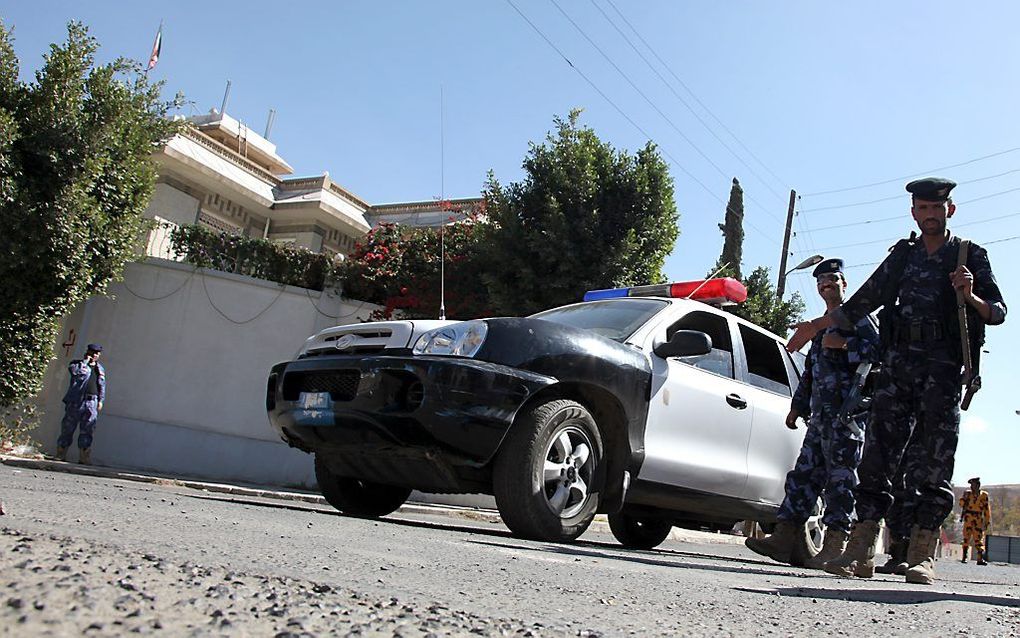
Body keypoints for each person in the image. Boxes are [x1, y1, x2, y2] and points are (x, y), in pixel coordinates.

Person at [786, 177, 1006, 585]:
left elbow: (998, 311)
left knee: (935, 461)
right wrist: (817, 325)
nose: (929, 215)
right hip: (897, 367)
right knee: (877, 457)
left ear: (949, 211)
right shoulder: (903, 257)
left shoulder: (969, 255)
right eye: (922, 209)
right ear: (914, 213)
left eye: (936, 209)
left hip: (942, 370)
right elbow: (864, 300)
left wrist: (971, 295)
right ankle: (861, 549)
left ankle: (921, 554)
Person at [746, 259, 879, 569]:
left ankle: (836, 545)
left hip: (848, 418)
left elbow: (881, 354)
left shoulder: (860, 319)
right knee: (803, 477)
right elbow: (811, 371)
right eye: (821, 281)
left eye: (832, 279)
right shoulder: (818, 325)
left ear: (844, 283)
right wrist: (798, 405)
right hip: (819, 418)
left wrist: (846, 345)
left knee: (841, 480)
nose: (826, 284)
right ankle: (784, 537)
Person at [56, 343, 106, 465]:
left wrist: (101, 400)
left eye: (97, 353)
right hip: (76, 400)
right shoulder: (77, 364)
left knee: (88, 429)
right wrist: (85, 362)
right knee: (68, 428)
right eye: (92, 352)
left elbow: (102, 385)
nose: (94, 355)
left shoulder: (100, 369)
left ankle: (84, 457)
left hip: (92, 401)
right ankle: (61, 454)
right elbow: (75, 373)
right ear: (87, 352)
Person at [959, 476, 991, 565]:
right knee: (966, 537)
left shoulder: (984, 495)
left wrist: (987, 520)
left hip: (978, 518)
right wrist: (963, 498)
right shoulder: (968, 494)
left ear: (978, 485)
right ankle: (964, 557)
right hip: (968, 517)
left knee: (979, 538)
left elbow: (986, 509)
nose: (971, 487)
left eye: (973, 485)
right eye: (971, 485)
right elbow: (961, 505)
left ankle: (980, 559)